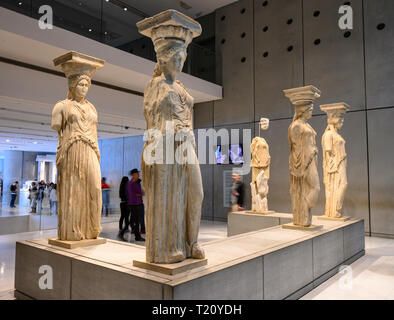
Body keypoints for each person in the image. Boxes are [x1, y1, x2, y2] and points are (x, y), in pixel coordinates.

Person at [126, 169, 145, 242]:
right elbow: (141, 192)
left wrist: (139, 193)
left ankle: (136, 233)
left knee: (134, 220)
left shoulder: (131, 183)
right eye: (137, 174)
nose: (138, 175)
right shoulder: (133, 183)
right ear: (133, 175)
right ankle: (137, 236)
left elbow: (140, 193)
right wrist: (139, 194)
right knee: (137, 221)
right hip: (135, 204)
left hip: (135, 203)